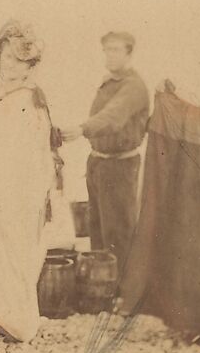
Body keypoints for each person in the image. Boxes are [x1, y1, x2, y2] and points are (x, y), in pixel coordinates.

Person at [0, 21, 61, 347]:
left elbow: (37, 148)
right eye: (5, 56)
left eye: (18, 60)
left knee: (19, 253)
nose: (10, 64)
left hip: (19, 191)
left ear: (30, 65)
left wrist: (26, 185)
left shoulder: (32, 98)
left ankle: (18, 320)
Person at [58, 31, 149, 273]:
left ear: (129, 53)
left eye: (116, 50)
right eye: (106, 50)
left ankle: (122, 292)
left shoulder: (134, 86)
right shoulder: (108, 82)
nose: (109, 55)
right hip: (98, 163)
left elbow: (114, 116)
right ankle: (100, 288)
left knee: (117, 231)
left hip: (120, 166)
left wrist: (82, 129)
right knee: (96, 228)